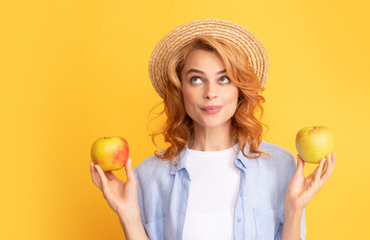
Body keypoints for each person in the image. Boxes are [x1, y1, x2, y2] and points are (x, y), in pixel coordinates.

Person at [89, 19, 336, 240]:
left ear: (239, 89)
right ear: (180, 90)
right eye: (196, 79)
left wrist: (294, 208)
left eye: (224, 78)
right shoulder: (149, 175)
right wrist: (128, 215)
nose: (210, 93)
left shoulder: (279, 165)